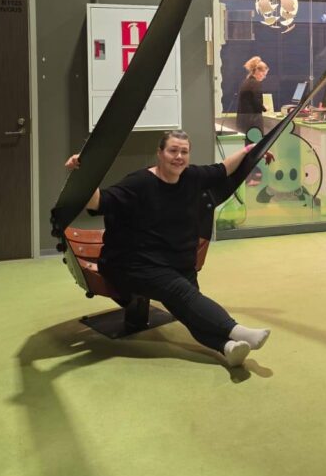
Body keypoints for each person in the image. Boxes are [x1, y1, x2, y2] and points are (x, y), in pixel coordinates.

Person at [64, 130, 271, 368]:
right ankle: (237, 330)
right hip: (133, 262)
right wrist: (82, 175)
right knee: (184, 296)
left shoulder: (191, 176)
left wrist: (250, 151)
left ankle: (226, 347)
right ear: (160, 153)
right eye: (173, 150)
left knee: (187, 308)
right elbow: (98, 202)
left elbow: (224, 168)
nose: (179, 157)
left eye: (184, 152)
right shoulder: (139, 182)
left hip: (175, 261)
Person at [236, 56, 269, 139]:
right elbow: (257, 101)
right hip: (253, 122)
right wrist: (264, 108)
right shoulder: (255, 84)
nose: (264, 77)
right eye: (263, 74)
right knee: (256, 144)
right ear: (257, 71)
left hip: (243, 121)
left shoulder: (246, 82)